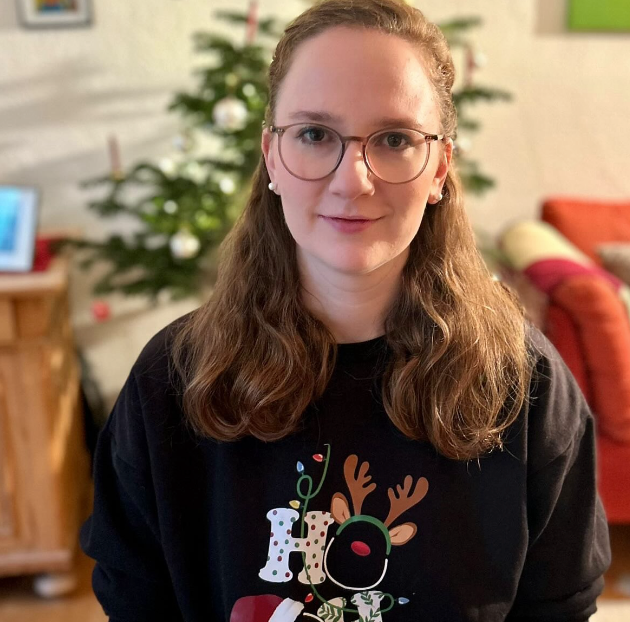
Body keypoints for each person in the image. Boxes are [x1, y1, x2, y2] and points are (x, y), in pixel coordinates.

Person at [80, 1, 611, 620]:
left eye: (395, 139)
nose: (353, 181)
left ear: (439, 167)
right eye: (314, 134)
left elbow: (560, 606)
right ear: (272, 155)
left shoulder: (526, 384)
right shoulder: (170, 381)